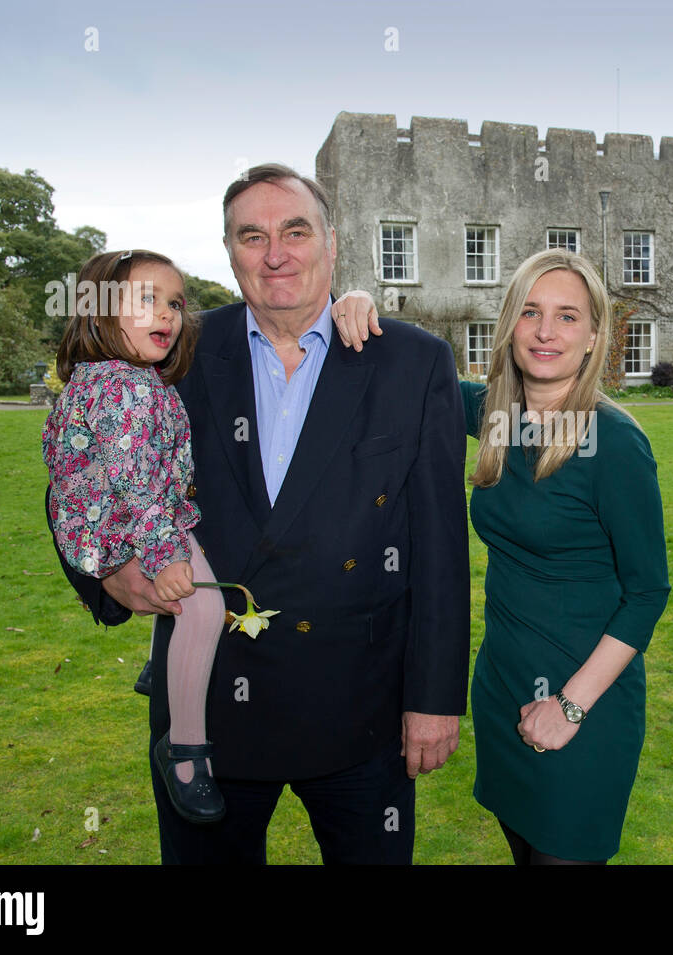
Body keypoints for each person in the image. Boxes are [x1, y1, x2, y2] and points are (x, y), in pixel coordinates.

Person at [48, 164, 470, 864]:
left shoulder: (410, 361)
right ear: (229, 250)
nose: (275, 253)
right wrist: (113, 572)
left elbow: (441, 550)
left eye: (295, 231)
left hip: (362, 713)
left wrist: (434, 698)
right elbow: (77, 467)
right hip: (208, 719)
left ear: (331, 244)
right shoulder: (171, 351)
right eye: (253, 236)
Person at [335, 249, 670, 865]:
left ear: (595, 334)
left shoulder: (615, 443)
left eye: (568, 316)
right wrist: (358, 304)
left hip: (582, 704)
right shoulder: (496, 419)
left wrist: (569, 706)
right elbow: (409, 369)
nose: (546, 332)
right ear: (509, 323)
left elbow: (648, 592)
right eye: (531, 313)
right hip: (503, 690)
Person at [44, 249, 228, 825]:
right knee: (203, 605)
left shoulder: (116, 378)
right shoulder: (126, 387)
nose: (169, 315)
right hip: (129, 519)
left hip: (121, 512)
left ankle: (158, 663)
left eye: (175, 302)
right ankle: (186, 751)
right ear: (98, 310)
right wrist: (163, 551)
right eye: (147, 300)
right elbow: (136, 481)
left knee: (184, 602)